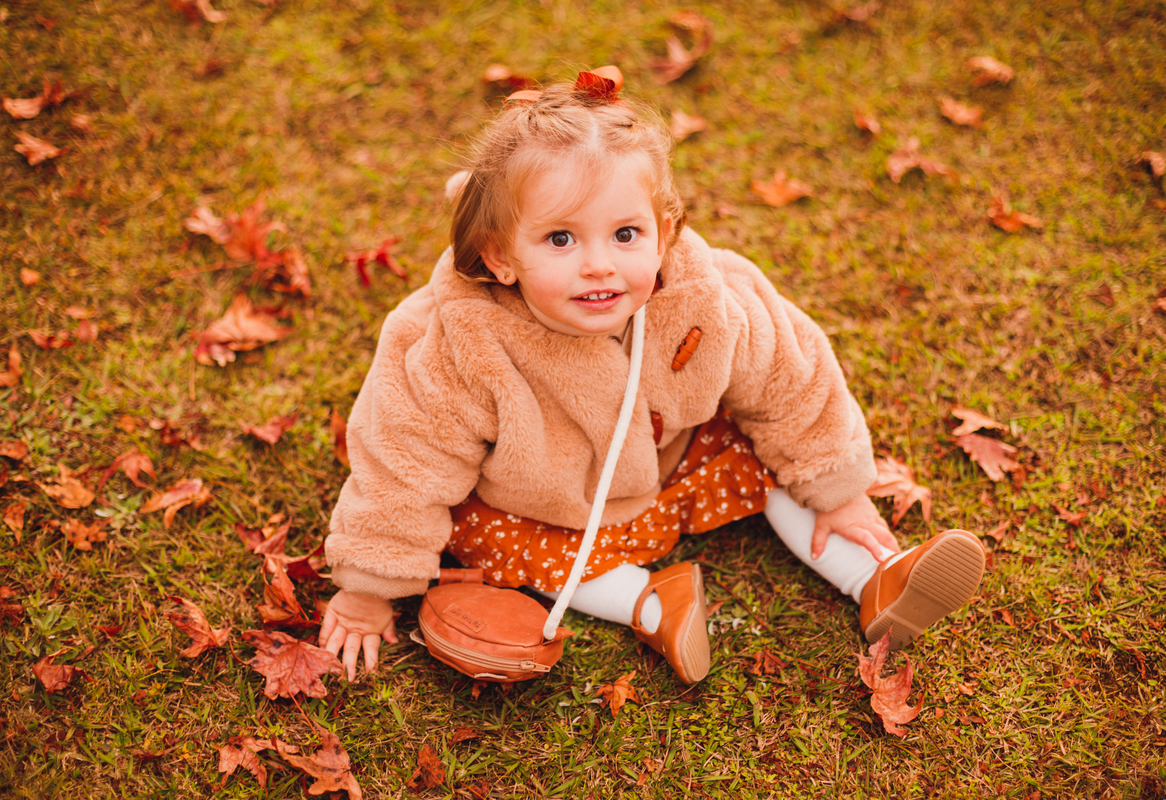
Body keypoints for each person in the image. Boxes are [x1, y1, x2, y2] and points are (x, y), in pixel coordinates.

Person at [318, 67, 985, 685]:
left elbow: (790, 379)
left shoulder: (705, 296)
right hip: (550, 504)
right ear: (500, 257)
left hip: (675, 460)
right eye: (560, 239)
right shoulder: (456, 343)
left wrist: (837, 489)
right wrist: (367, 589)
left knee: (768, 449)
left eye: (626, 234)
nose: (599, 265)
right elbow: (404, 460)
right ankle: (651, 604)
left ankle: (872, 577)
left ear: (663, 233)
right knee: (495, 538)